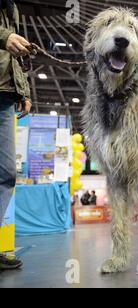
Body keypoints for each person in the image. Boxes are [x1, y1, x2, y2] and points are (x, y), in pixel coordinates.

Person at [0, 0, 34, 270]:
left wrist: (22, 91)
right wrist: (4, 36)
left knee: (6, 173)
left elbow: (13, 57)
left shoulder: (11, 6)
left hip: (4, 98)